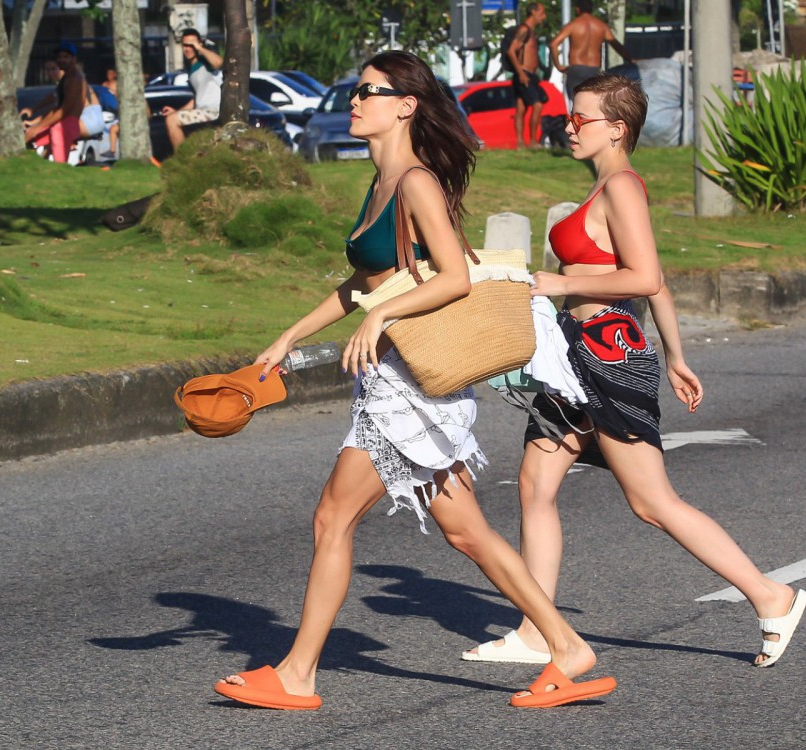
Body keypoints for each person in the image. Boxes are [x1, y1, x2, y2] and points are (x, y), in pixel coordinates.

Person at [212, 50, 615, 711]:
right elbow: (366, 283)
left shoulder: (416, 182)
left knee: (332, 518)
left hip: (411, 386)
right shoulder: (381, 180)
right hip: (402, 378)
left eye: (369, 91)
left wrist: (384, 316)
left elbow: (454, 275)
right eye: (357, 91)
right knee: (469, 533)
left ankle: (297, 674)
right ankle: (567, 647)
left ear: (405, 105)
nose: (354, 101)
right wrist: (290, 337)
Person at [462, 75, 806, 669]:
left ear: (617, 128)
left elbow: (644, 279)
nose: (569, 126)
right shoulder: (605, 186)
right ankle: (537, 630)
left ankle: (770, 595)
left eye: (582, 119)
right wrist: (676, 356)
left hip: (608, 356)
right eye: (570, 118)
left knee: (651, 502)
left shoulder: (622, 186)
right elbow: (657, 280)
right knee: (534, 485)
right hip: (573, 356)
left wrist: (565, 282)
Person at [548, 0, 635, 102]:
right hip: (593, 70)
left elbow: (553, 44)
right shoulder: (601, 26)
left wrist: (558, 66)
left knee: (576, 103)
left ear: (577, 10)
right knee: (592, 103)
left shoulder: (573, 25)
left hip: (576, 68)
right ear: (591, 10)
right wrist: (630, 60)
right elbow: (616, 45)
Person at [23, 43, 87, 164]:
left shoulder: (74, 79)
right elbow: (54, 102)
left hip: (65, 125)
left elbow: (64, 110)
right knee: (29, 139)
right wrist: (34, 113)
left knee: (60, 164)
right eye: (60, 57)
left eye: (66, 56)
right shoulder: (66, 78)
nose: (62, 60)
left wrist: (38, 128)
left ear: (74, 59)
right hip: (60, 124)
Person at [161, 28, 223, 150]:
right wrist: (176, 111)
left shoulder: (206, 62)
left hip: (214, 111)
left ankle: (181, 159)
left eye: (191, 45)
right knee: (172, 119)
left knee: (172, 121)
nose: (188, 49)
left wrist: (199, 48)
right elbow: (196, 99)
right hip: (202, 111)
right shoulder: (192, 70)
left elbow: (219, 62)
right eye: (185, 45)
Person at [507, 2, 550, 148]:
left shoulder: (530, 31)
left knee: (521, 108)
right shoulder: (524, 30)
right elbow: (511, 51)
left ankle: (520, 143)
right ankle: (532, 141)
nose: (544, 17)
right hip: (524, 74)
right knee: (537, 105)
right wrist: (521, 73)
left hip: (529, 74)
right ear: (533, 12)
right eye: (542, 13)